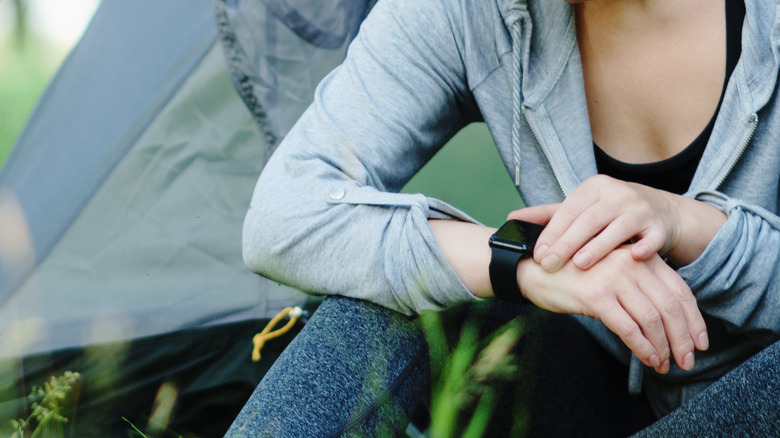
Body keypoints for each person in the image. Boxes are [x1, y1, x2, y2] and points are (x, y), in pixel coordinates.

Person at [228, 0, 780, 435]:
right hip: (603, 392)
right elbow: (282, 215)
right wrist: (518, 260)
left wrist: (691, 227)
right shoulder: (469, 11)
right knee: (394, 297)